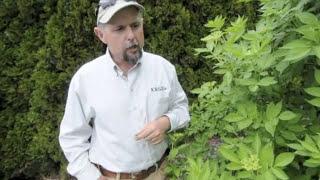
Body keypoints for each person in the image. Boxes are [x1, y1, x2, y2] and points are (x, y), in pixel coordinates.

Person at [59, 0, 190, 179]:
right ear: (100, 35)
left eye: (135, 25)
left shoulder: (163, 68)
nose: (131, 35)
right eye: (119, 29)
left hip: (161, 172)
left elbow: (181, 108)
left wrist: (165, 122)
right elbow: (71, 138)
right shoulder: (86, 79)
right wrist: (92, 177)